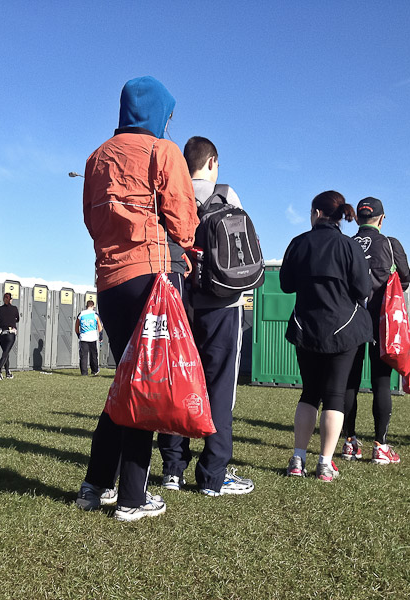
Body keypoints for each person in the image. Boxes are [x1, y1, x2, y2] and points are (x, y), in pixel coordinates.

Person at [75, 76, 198, 521]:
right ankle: (132, 497)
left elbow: (91, 220)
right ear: (159, 112)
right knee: (145, 382)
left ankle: (94, 484)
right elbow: (184, 222)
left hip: (108, 280)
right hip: (151, 275)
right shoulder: (164, 151)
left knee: (125, 381)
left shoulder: (96, 157)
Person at [157, 136, 254, 496]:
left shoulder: (169, 191)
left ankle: (172, 469)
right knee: (220, 388)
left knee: (175, 384)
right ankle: (213, 475)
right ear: (212, 162)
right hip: (222, 306)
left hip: (179, 303)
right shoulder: (227, 195)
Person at [280, 191, 372, 482]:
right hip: (343, 329)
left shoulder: (299, 243)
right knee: (334, 396)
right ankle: (325, 464)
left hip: (306, 326)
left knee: (309, 392)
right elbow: (363, 290)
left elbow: (285, 285)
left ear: (317, 213)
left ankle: (298, 459)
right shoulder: (349, 246)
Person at [342, 197, 410, 465]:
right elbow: (403, 280)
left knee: (350, 381)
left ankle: (350, 442)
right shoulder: (391, 245)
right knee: (381, 382)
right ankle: (380, 446)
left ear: (357, 218)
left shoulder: (346, 244)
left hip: (350, 322)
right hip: (382, 324)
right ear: (382, 219)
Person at [0, 292, 19, 380]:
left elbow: (0, 320)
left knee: (6, 352)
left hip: (1, 334)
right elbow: (17, 319)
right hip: (10, 333)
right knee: (5, 352)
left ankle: (8, 372)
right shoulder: (14, 308)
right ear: (11, 300)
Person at [75, 300, 102, 376]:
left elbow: (76, 327)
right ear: (93, 306)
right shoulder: (95, 314)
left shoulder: (81, 314)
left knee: (83, 356)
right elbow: (100, 327)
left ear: (86, 306)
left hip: (83, 338)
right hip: (93, 337)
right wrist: (101, 337)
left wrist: (79, 335)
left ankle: (84, 372)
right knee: (93, 355)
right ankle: (94, 370)